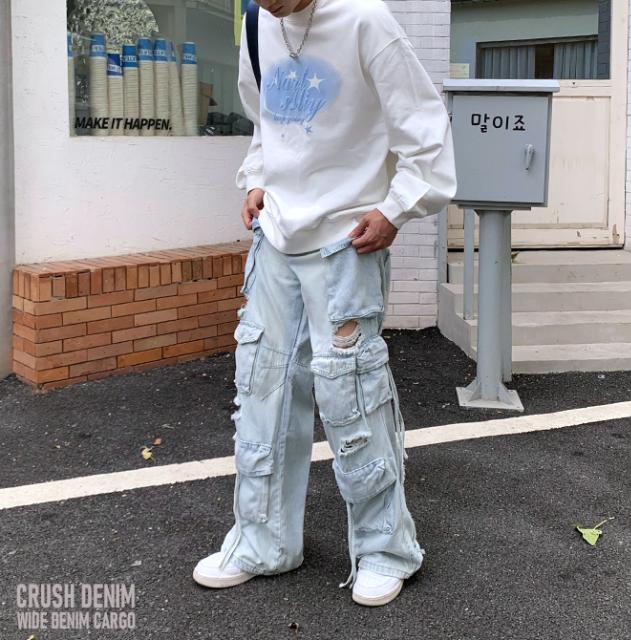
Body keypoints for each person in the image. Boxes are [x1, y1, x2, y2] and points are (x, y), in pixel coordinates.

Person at [193, 0, 457, 607]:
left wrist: (395, 209)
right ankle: (262, 542)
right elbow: (264, 121)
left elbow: (425, 128)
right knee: (262, 389)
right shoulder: (257, 22)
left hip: (347, 239)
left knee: (352, 395)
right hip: (275, 238)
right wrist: (258, 178)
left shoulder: (366, 19)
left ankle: (386, 549)